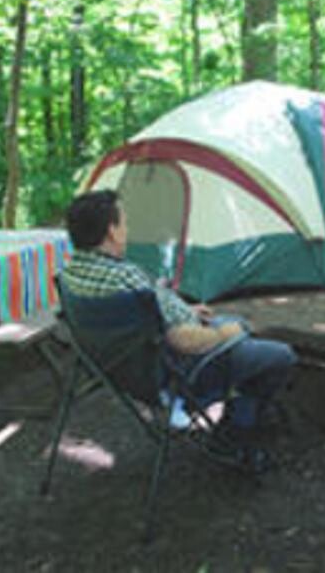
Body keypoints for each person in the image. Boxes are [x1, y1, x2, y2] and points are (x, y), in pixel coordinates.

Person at [61, 189, 297, 452]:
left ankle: (243, 412)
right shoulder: (127, 280)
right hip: (177, 372)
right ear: (111, 231)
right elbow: (183, 340)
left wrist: (183, 310)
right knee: (277, 353)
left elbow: (150, 317)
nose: (128, 228)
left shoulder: (69, 276)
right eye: (125, 222)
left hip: (122, 373)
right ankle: (236, 430)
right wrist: (224, 334)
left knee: (234, 328)